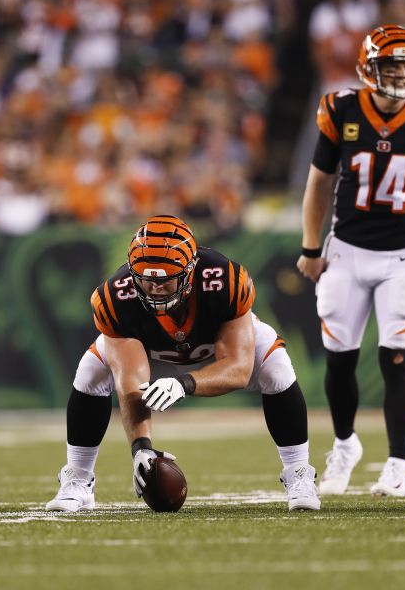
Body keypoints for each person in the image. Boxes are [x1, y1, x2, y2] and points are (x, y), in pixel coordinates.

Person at [47, 215, 320, 512]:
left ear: (190, 271)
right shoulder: (116, 297)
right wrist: (141, 447)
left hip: (217, 351)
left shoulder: (223, 280)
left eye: (164, 279)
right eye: (146, 278)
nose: (154, 288)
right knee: (90, 372)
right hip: (153, 353)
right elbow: (131, 382)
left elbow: (239, 369)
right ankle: (78, 479)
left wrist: (184, 383)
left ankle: (298, 472)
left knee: (276, 366)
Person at [296, 24, 405, 497]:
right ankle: (346, 444)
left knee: (397, 360)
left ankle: (397, 465)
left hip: (403, 257)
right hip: (346, 253)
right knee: (339, 361)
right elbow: (318, 183)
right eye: (389, 66)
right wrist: (312, 247)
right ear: (368, 68)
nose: (398, 75)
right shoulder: (342, 109)